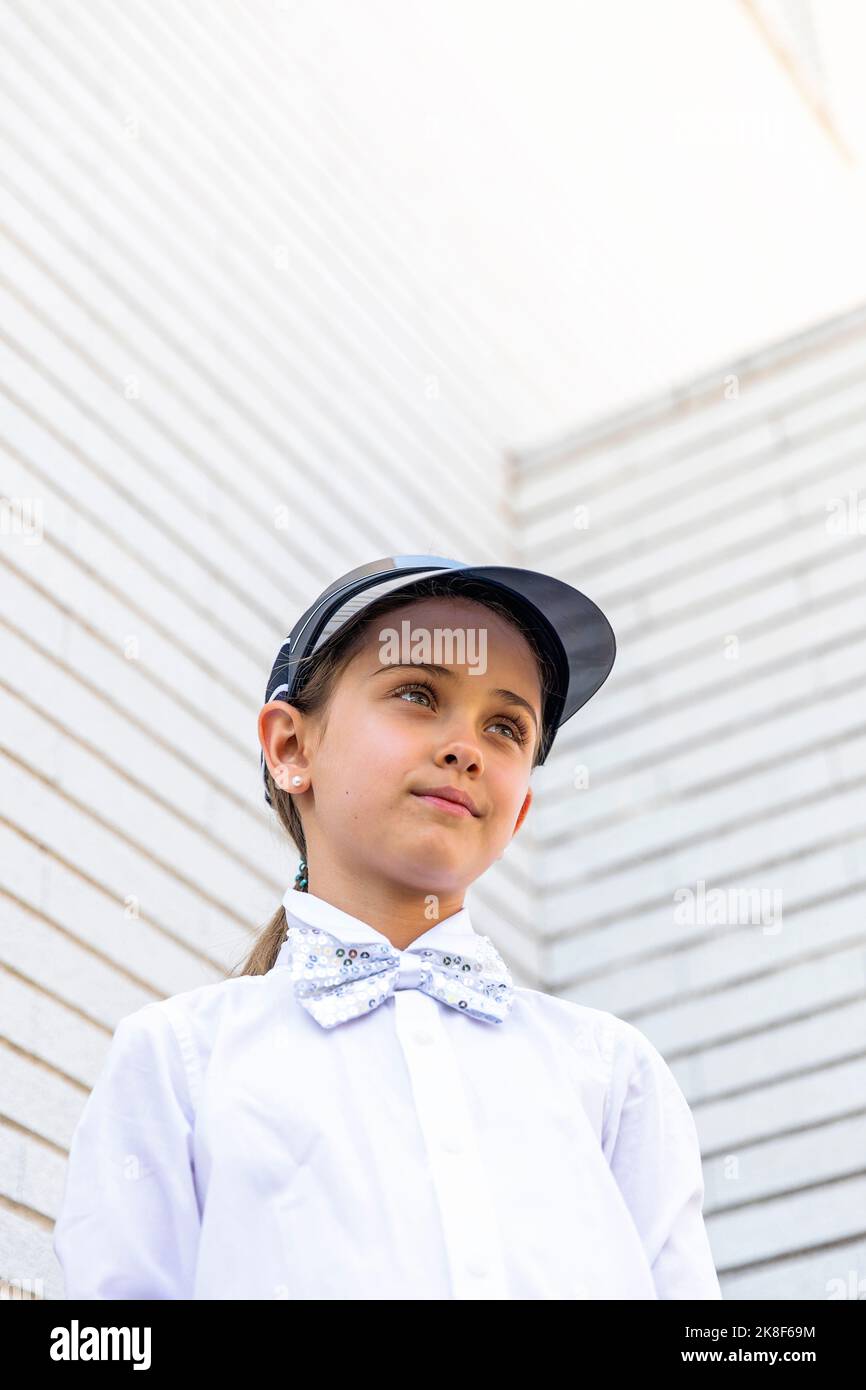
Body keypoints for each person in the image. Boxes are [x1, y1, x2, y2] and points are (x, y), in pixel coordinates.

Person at [52, 555, 722, 1300]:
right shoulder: (178, 1063)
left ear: (521, 809)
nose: (466, 748)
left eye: (506, 727)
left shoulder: (613, 1074)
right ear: (291, 748)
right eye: (416, 693)